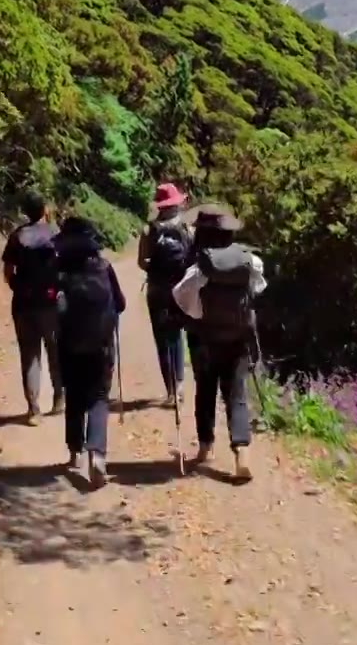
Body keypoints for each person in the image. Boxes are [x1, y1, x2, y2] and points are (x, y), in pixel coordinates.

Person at [172, 205, 266, 483]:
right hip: (238, 337)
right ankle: (242, 454)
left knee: (206, 390)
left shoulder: (200, 267)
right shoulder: (249, 261)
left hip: (205, 339)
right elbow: (258, 288)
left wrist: (198, 316)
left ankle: (205, 447)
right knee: (236, 394)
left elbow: (182, 299)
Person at [55, 216, 126, 488]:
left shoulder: (59, 268)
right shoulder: (105, 267)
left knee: (73, 394)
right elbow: (120, 303)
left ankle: (74, 453)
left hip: (69, 344)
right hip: (101, 344)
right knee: (98, 397)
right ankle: (97, 453)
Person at [2, 190, 63, 425]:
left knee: (30, 356)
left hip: (23, 304)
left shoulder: (17, 236)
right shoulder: (56, 234)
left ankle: (33, 409)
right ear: (44, 210)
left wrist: (20, 288)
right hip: (51, 303)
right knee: (56, 351)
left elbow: (8, 273)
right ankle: (59, 398)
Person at [137, 183, 192, 407]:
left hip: (157, 290)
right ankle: (180, 386)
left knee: (162, 340)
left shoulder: (149, 230)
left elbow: (141, 262)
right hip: (180, 289)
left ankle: (170, 391)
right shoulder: (187, 227)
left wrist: (154, 268)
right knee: (177, 336)